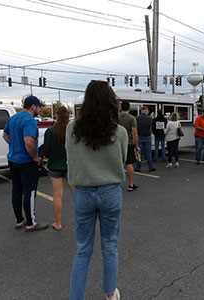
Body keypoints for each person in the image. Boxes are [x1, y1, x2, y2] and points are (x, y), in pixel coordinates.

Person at [66, 81, 127, 300]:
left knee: (83, 249)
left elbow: (70, 161)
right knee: (110, 246)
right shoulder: (119, 132)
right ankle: (110, 293)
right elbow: (121, 160)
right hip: (110, 191)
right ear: (111, 101)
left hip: (82, 191)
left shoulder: (71, 129)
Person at [2, 95, 48, 232]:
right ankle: (31, 223)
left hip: (13, 160)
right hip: (26, 162)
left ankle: (19, 220)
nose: (40, 109)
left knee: (16, 190)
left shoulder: (14, 118)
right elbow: (29, 142)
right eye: (39, 106)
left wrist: (15, 146)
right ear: (33, 106)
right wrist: (34, 157)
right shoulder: (30, 121)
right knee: (30, 191)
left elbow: (5, 135)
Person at [41, 106, 74, 231]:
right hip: (70, 166)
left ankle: (58, 223)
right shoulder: (72, 130)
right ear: (67, 116)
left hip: (55, 166)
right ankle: (82, 220)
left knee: (57, 195)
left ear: (56, 115)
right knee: (76, 194)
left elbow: (46, 151)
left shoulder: (50, 131)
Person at [119, 101, 140, 191]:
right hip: (129, 143)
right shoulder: (132, 118)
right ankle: (131, 185)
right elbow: (134, 133)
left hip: (117, 143)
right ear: (129, 108)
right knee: (129, 163)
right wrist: (137, 145)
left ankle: (116, 185)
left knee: (118, 164)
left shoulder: (115, 117)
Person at [135, 106, 156, 172]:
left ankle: (138, 167)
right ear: (146, 111)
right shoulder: (150, 118)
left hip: (140, 137)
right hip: (147, 137)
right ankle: (151, 167)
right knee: (148, 153)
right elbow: (151, 127)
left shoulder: (137, 118)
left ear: (141, 111)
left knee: (139, 153)